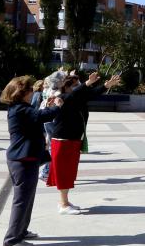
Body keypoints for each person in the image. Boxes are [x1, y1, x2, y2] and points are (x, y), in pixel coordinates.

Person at [0, 76, 61, 246]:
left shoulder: (21, 108)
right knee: (21, 200)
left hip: (26, 158)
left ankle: (21, 231)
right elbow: (44, 116)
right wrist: (57, 106)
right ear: (22, 92)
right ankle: (12, 239)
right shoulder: (19, 109)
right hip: (22, 160)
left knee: (27, 198)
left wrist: (48, 107)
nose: (33, 92)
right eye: (30, 90)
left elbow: (37, 116)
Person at [49, 71, 120, 214]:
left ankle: (65, 201)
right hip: (63, 140)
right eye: (76, 85)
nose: (80, 86)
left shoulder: (76, 98)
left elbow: (92, 94)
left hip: (72, 139)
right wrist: (87, 83)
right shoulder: (62, 97)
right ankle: (63, 205)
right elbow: (74, 95)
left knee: (69, 172)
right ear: (67, 86)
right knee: (64, 172)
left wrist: (107, 85)